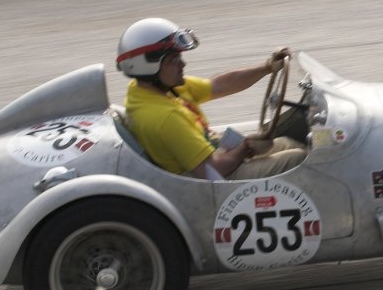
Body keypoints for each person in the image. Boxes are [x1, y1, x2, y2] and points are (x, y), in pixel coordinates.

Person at [116, 17, 306, 180]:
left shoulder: (149, 90)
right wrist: (245, 147)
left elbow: (219, 85)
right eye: (173, 60)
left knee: (288, 144)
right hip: (213, 181)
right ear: (148, 66)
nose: (183, 64)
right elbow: (212, 169)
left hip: (215, 156)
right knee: (299, 159)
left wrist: (266, 68)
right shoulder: (164, 117)